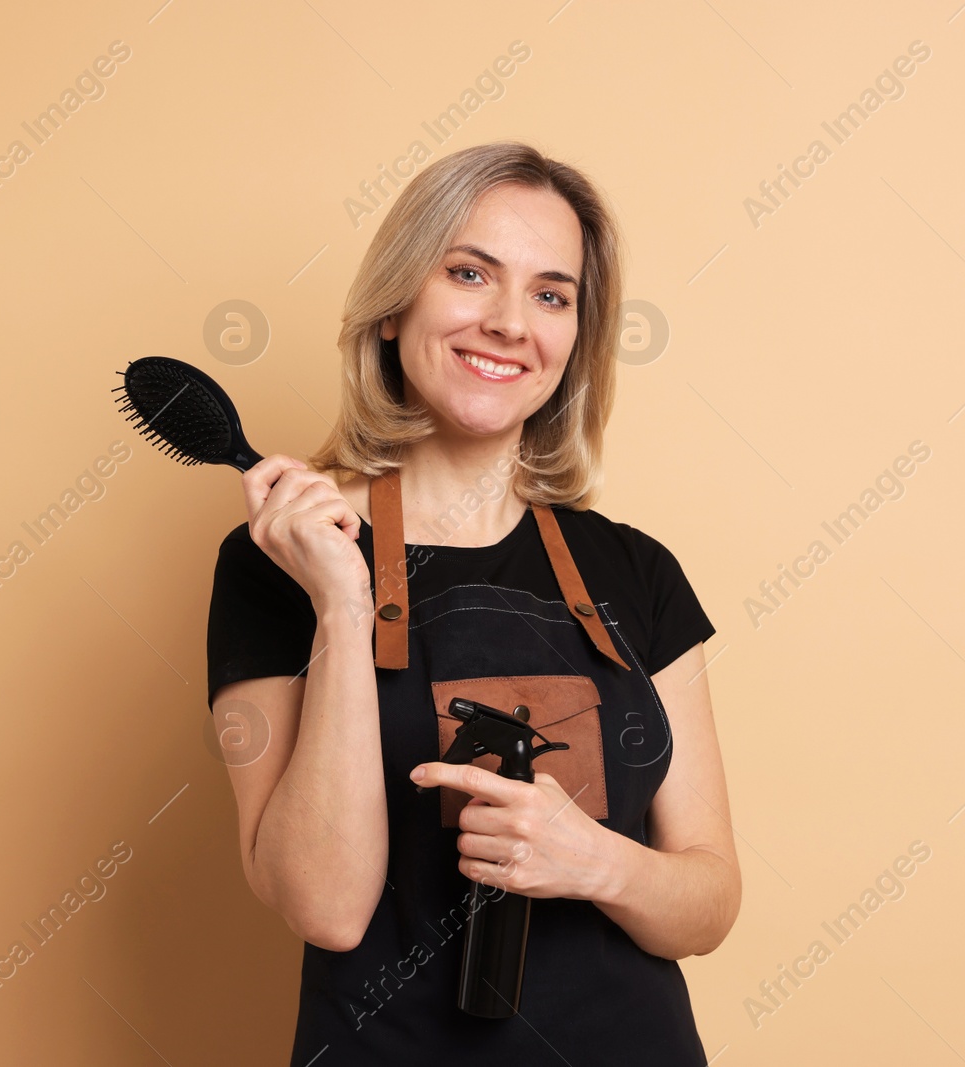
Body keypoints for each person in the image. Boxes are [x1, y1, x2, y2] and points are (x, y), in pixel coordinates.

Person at [206, 141, 740, 1065]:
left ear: (574, 339)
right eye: (468, 273)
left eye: (549, 294)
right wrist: (341, 601)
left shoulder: (637, 572)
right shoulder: (278, 563)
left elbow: (709, 902)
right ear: (392, 307)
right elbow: (326, 908)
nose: (507, 322)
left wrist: (592, 859)